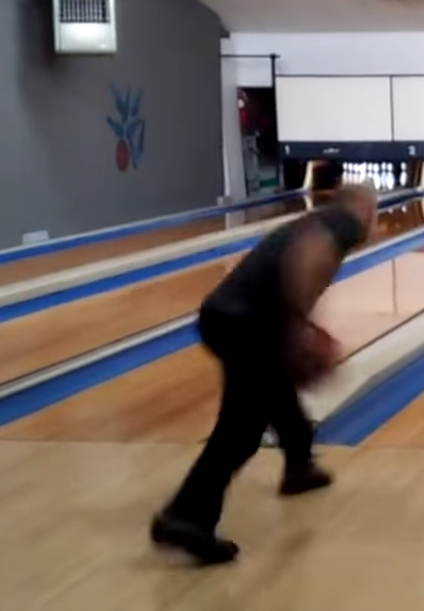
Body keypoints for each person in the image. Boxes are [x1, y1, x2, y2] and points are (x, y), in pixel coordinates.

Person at [150, 183, 379, 565]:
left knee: (276, 395)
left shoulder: (316, 219)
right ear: (363, 208)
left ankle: (299, 467)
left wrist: (302, 330)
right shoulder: (345, 222)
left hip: (229, 317)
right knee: (241, 431)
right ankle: (185, 517)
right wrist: (303, 333)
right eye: (375, 209)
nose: (377, 218)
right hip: (246, 325)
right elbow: (308, 257)